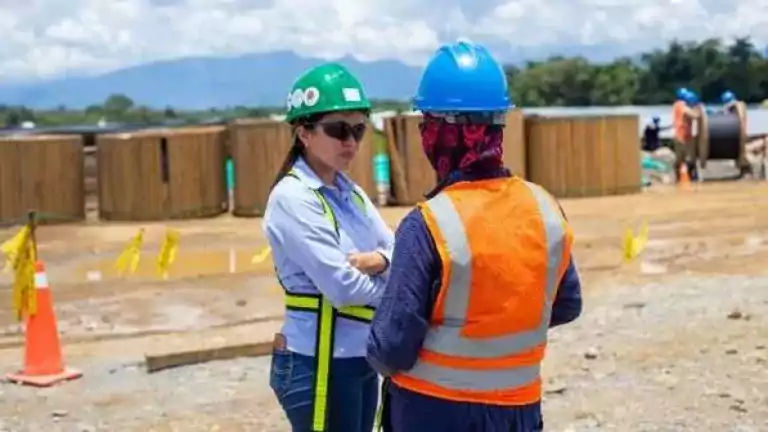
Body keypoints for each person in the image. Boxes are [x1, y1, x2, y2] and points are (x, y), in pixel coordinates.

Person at [366, 39, 583, 432]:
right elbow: (566, 304)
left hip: (434, 411)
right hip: (518, 409)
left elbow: (391, 348)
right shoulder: (544, 208)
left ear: (440, 134)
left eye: (426, 123)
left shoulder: (429, 223)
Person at [263, 62, 395, 432]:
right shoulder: (293, 198)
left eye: (357, 130)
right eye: (338, 129)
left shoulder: (349, 192)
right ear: (303, 133)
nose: (350, 141)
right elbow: (343, 288)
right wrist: (394, 282)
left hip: (359, 355)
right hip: (317, 360)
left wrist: (381, 260)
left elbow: (399, 248)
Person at [671, 87, 700, 181]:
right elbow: (694, 115)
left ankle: (680, 178)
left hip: (679, 135)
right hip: (682, 136)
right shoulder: (682, 106)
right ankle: (686, 177)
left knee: (682, 158)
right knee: (685, 158)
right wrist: (698, 108)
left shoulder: (676, 105)